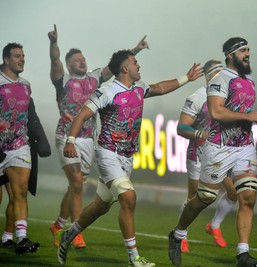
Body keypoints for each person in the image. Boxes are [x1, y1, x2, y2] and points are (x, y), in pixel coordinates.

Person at [57, 49, 202, 267]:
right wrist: (70, 141)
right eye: (135, 62)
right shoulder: (106, 91)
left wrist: (186, 78)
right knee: (129, 197)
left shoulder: (139, 87)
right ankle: (134, 257)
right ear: (125, 68)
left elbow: (160, 88)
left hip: (126, 157)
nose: (138, 65)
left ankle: (68, 236)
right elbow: (83, 115)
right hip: (108, 154)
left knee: (101, 206)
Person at [47, 24, 149, 249]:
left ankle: (59, 224)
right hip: (67, 136)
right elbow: (55, 61)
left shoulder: (95, 78)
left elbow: (118, 67)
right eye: (76, 60)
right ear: (69, 65)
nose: (81, 62)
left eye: (83, 58)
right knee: (76, 183)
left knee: (76, 186)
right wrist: (54, 43)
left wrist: (136, 50)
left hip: (89, 139)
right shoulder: (62, 80)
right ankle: (75, 234)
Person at [168, 37, 257, 267]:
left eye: (248, 49)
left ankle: (243, 254)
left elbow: (249, 112)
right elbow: (217, 113)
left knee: (247, 197)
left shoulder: (248, 80)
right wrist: (247, 117)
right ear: (230, 55)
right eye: (242, 50)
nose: (247, 53)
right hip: (219, 147)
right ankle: (178, 233)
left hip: (244, 146)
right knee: (205, 198)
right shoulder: (220, 80)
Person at [176, 60, 237, 252]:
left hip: (220, 153)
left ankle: (214, 225)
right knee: (193, 197)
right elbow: (181, 127)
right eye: (219, 74)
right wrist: (199, 134)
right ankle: (181, 234)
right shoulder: (197, 97)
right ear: (209, 76)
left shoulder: (230, 96)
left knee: (234, 192)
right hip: (199, 153)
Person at [0, 42, 40, 254]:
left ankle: (21, 238)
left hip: (19, 146)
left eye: (23, 55)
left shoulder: (26, 84)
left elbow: (28, 116)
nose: (22, 59)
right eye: (17, 56)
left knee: (20, 192)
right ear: (6, 59)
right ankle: (6, 237)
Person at [0, 96, 51, 249]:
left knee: (17, 195)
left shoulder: (23, 93)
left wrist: (42, 142)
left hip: (15, 150)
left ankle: (8, 238)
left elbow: (32, 118)